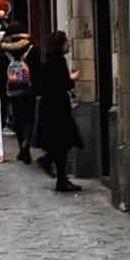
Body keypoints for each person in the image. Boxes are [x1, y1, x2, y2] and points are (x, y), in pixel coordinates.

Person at [38, 29, 83, 192]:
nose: (69, 45)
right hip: (58, 108)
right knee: (63, 143)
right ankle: (61, 179)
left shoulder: (49, 60)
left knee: (61, 143)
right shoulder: (58, 61)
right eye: (66, 42)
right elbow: (62, 84)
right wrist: (72, 79)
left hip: (50, 107)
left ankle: (59, 175)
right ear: (60, 45)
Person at [3, 21, 41, 164]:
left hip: (14, 90)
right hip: (29, 89)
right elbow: (37, 70)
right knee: (29, 118)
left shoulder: (7, 50)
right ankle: (26, 142)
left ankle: (21, 147)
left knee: (18, 119)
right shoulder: (32, 48)